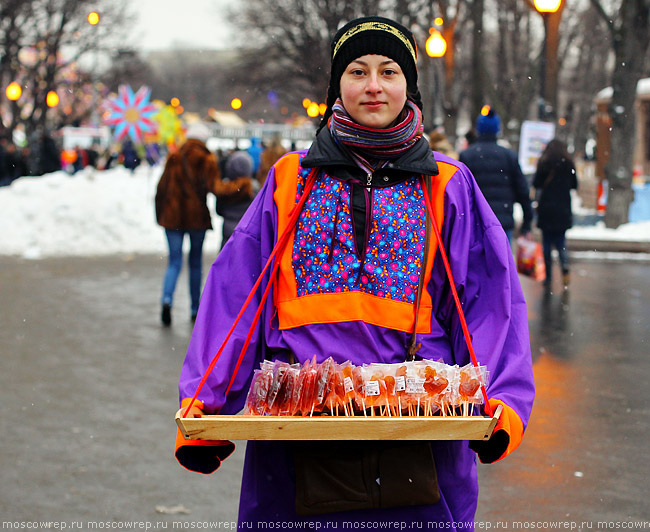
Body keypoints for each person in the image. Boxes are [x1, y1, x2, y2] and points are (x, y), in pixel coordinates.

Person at [174, 16, 535, 529]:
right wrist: (204, 405)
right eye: (357, 71)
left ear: (408, 85)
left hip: (419, 439)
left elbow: (490, 299)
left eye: (388, 71)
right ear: (336, 88)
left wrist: (503, 403)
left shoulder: (450, 186)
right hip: (297, 443)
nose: (373, 85)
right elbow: (237, 297)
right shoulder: (290, 181)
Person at [155, 127, 254, 326]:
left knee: (174, 262)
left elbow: (161, 190)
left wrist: (162, 216)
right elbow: (216, 188)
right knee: (195, 263)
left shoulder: (174, 158)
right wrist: (242, 184)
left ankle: (167, 300)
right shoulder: (206, 159)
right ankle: (194, 309)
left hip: (172, 219)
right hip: (196, 219)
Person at [459, 108, 533, 242]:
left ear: (479, 129)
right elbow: (522, 190)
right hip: (502, 223)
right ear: (497, 130)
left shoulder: (467, 156)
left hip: (476, 223)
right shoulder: (508, 156)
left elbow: (460, 193)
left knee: (477, 262)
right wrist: (527, 223)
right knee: (502, 261)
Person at [533, 138, 578, 288]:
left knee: (546, 243)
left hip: (547, 208)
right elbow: (574, 184)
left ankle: (548, 276)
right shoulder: (568, 163)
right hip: (563, 208)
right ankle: (565, 269)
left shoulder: (544, 163)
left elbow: (536, 183)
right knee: (561, 242)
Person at [216, 150, 259, 249]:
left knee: (226, 257)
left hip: (227, 228)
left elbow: (219, 210)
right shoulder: (254, 188)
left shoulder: (225, 188)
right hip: (247, 229)